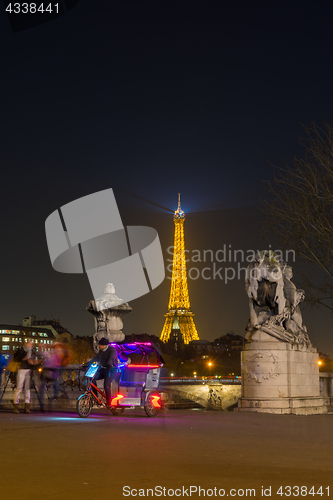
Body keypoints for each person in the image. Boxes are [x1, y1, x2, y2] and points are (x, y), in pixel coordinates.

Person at [89, 338, 118, 407]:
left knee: (106, 385)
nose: (99, 346)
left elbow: (111, 358)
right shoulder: (101, 351)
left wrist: (108, 364)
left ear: (104, 345)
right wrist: (87, 364)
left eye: (100, 345)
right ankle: (95, 397)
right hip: (103, 369)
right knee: (92, 378)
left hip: (111, 370)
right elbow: (96, 358)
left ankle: (109, 403)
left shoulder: (112, 350)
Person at [13, 340, 37, 414]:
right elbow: (16, 357)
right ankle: (16, 406)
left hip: (29, 369)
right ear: (26, 343)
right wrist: (24, 359)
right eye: (30, 344)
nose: (31, 345)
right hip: (21, 369)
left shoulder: (32, 351)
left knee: (27, 388)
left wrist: (34, 361)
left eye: (32, 344)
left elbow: (35, 359)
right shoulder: (21, 349)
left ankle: (27, 407)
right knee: (19, 387)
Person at [38, 343, 61, 412]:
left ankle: (42, 406)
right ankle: (50, 405)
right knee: (51, 389)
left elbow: (40, 354)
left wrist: (41, 348)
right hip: (52, 373)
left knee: (42, 389)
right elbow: (58, 365)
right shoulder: (56, 355)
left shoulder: (47, 353)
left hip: (46, 372)